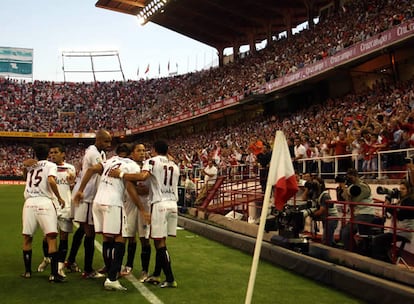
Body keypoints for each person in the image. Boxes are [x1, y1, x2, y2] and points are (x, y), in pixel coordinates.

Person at [74, 143, 149, 291]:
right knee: (120, 238)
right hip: (113, 203)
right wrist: (142, 209)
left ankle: (110, 270)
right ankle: (112, 278)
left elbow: (90, 169)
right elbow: (129, 188)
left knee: (107, 238)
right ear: (130, 154)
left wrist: (80, 190)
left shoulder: (109, 161)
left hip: (98, 202)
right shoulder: (132, 165)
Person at [109, 140, 180, 288]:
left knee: (158, 243)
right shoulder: (174, 165)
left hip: (158, 204)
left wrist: (121, 174)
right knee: (161, 242)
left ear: (153, 150)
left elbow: (142, 177)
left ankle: (170, 278)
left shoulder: (151, 162)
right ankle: (157, 274)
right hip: (173, 204)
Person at [21, 143, 66, 282]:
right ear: (48, 154)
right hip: (44, 202)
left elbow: (25, 178)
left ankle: (28, 272)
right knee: (51, 238)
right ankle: (53, 274)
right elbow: (51, 180)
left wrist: (25, 166)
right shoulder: (50, 165)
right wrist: (59, 197)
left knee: (27, 238)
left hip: (29, 203)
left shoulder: (31, 166)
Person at [71, 129, 112, 279]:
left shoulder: (97, 152)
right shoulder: (94, 153)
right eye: (106, 141)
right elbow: (102, 171)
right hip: (88, 196)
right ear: (99, 140)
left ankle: (70, 260)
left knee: (82, 229)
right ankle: (88, 269)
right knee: (90, 232)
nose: (109, 144)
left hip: (89, 194)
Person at [36, 144, 76, 277]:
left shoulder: (70, 168)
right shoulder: (46, 168)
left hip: (66, 206)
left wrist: (72, 183)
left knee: (64, 236)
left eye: (55, 152)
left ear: (63, 154)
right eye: (51, 152)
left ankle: (59, 266)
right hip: (50, 205)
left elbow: (73, 189)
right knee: (48, 235)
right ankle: (47, 258)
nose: (52, 155)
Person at [121, 143, 152, 282]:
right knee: (129, 236)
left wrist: (135, 187)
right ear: (132, 153)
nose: (142, 153)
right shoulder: (128, 166)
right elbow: (127, 183)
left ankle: (145, 270)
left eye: (144, 150)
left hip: (145, 205)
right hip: (130, 205)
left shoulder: (149, 165)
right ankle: (129, 265)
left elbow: (147, 187)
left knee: (144, 238)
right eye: (139, 150)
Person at [371, 180, 414, 263]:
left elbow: (400, 215)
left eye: (403, 189)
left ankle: (384, 263)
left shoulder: (409, 201)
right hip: (398, 230)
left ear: (409, 190)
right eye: (400, 189)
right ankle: (385, 261)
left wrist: (388, 204)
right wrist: (389, 198)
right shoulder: (402, 200)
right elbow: (390, 208)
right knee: (380, 240)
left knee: (377, 240)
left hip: (403, 232)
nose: (401, 191)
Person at [340, 168, 377, 250]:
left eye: (351, 178)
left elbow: (353, 202)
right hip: (358, 214)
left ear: (356, 176)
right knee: (344, 232)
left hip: (366, 214)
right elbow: (343, 197)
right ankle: (352, 250)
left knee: (346, 233)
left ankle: (353, 251)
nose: (350, 180)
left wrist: (344, 189)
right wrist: (342, 187)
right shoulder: (352, 186)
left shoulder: (363, 187)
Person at [310, 177, 339, 246]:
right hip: (326, 218)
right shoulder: (317, 194)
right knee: (329, 239)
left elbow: (321, 211)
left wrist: (312, 214)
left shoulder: (325, 195)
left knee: (326, 240)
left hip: (331, 218)